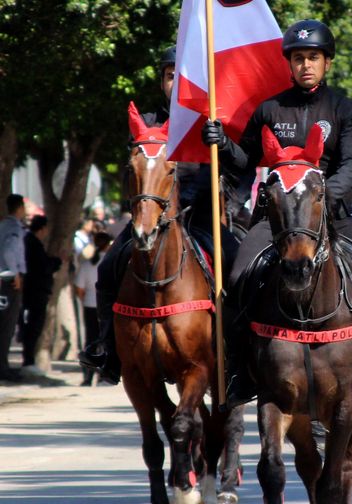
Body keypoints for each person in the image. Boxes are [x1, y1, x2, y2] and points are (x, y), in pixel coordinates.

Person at [201, 19, 352, 404]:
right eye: (299, 58)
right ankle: (238, 369)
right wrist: (221, 142)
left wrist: (319, 195)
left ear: (327, 63)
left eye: (313, 57)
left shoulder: (346, 110)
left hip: (332, 216)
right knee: (237, 277)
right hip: (275, 221)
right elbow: (245, 161)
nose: (305, 64)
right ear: (289, 63)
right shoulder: (269, 109)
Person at [79, 45, 242, 384]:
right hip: (152, 218)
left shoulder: (211, 122)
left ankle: (239, 352)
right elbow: (137, 174)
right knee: (109, 267)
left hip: (201, 217)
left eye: (183, 78)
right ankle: (106, 346)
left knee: (238, 264)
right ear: (162, 82)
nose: (177, 84)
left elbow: (241, 167)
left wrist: (222, 142)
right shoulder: (147, 123)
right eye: (171, 77)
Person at [20, 215, 61, 375]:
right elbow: (42, 267)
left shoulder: (32, 242)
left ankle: (29, 360)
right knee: (32, 327)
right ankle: (28, 361)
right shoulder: (33, 243)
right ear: (42, 229)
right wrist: (57, 261)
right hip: (34, 292)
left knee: (32, 327)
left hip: (34, 291)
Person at [76, 232, 112, 386]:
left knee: (90, 341)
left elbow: (79, 289)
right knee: (107, 341)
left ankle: (87, 376)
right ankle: (104, 375)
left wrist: (87, 299)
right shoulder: (112, 263)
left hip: (89, 305)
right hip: (107, 307)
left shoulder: (87, 264)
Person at [0, 194, 27, 381]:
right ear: (19, 208)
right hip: (9, 280)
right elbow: (9, 251)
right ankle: (3, 366)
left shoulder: (2, 226)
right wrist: (15, 272)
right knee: (7, 325)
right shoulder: (14, 228)